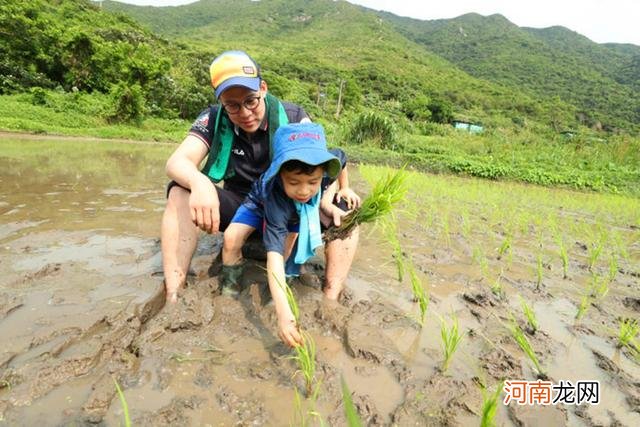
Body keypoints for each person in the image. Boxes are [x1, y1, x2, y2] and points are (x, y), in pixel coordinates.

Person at [161, 50, 311, 303]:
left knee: (344, 206)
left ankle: (331, 295)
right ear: (221, 102)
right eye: (232, 105)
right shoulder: (213, 118)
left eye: (251, 100)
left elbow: (316, 165)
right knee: (179, 190)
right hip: (238, 209)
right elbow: (177, 162)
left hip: (283, 209)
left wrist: (339, 191)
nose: (244, 112)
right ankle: (174, 292)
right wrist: (200, 182)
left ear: (263, 88)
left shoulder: (294, 118)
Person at [222, 123, 360, 347]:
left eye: (313, 182)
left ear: (323, 172)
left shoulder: (323, 167)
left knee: (289, 244)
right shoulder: (277, 196)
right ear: (279, 174)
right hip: (258, 202)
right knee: (231, 239)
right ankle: (229, 289)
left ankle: (282, 285)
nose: (304, 190)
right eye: (294, 182)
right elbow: (272, 257)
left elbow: (341, 158)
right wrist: (284, 315)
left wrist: (344, 187)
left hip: (295, 209)